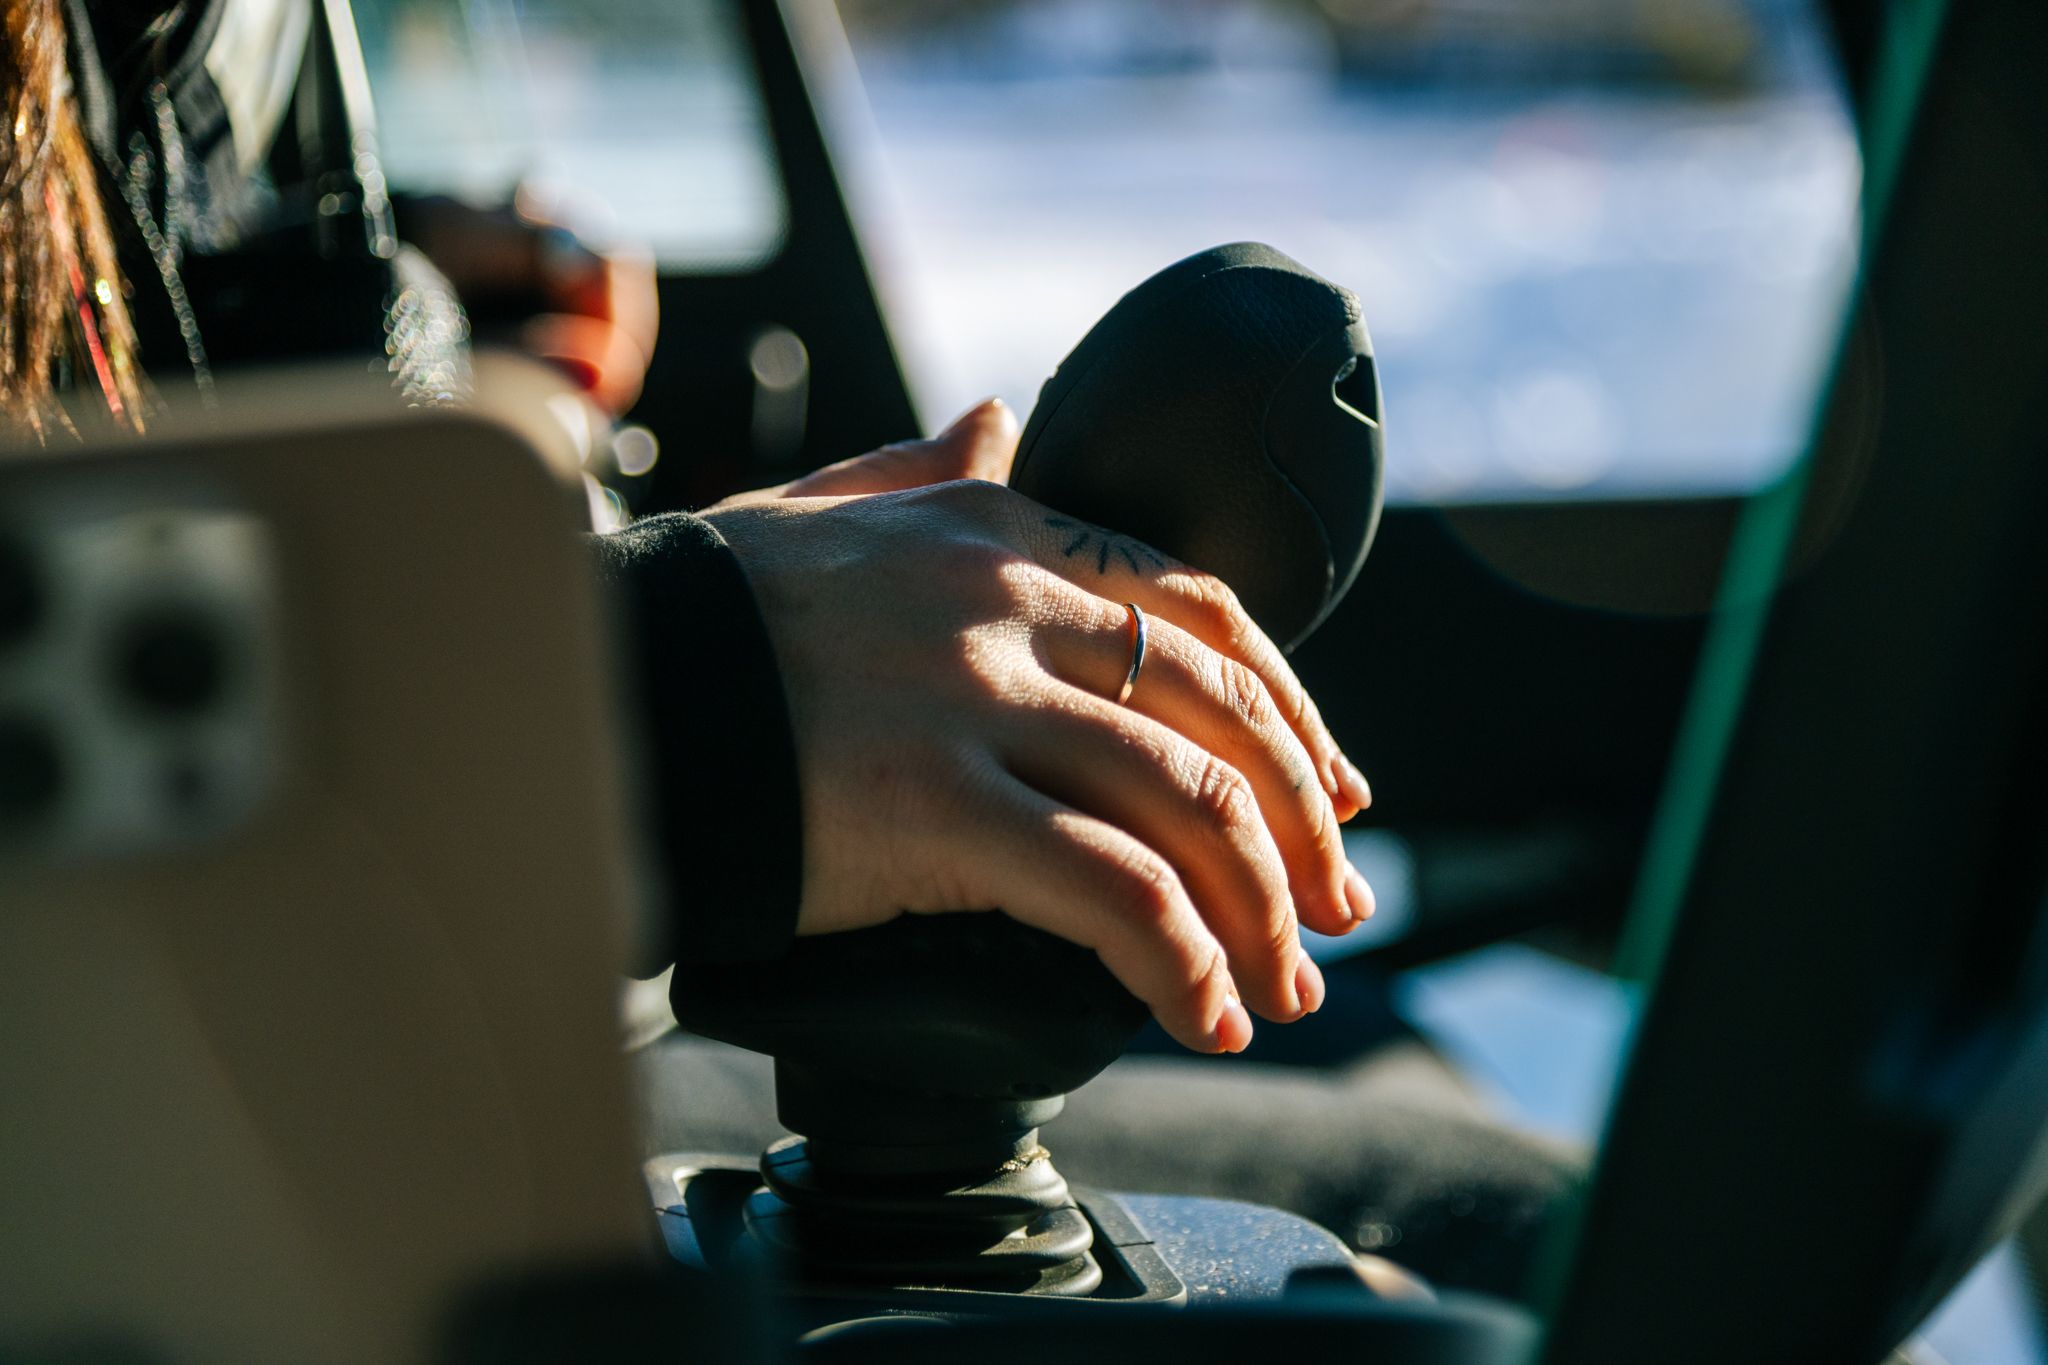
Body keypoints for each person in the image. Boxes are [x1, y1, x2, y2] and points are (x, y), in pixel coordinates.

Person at [1, 0, 1578, 1299]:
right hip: (194, 1154)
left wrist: (406, 329)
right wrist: (665, 698)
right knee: (1516, 1254)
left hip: (349, 1047)